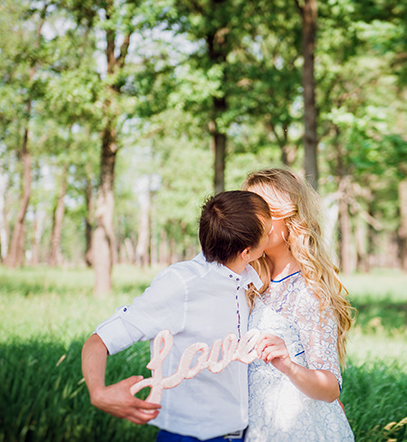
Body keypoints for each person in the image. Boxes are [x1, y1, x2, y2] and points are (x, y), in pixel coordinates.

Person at [81, 190, 273, 442]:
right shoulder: (181, 284)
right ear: (246, 252)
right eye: (268, 232)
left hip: (240, 433)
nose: (273, 234)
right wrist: (98, 392)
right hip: (190, 436)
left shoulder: (248, 278)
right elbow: (100, 340)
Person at [241, 168, 355, 441]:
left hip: (295, 427)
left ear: (290, 215)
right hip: (250, 423)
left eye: (265, 210)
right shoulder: (246, 281)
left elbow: (330, 388)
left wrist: (289, 365)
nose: (255, 220)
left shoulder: (309, 291)